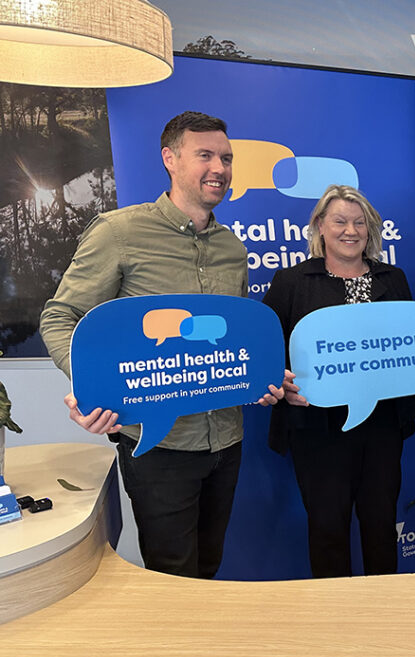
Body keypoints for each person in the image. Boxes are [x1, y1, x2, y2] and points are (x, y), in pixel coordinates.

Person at [39, 111, 285, 579]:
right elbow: (60, 316)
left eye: (227, 158)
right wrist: (92, 385)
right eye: (205, 155)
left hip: (226, 439)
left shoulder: (232, 248)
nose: (219, 168)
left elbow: (230, 337)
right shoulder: (119, 233)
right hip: (159, 446)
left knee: (208, 567)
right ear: (170, 158)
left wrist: (262, 377)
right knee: (172, 576)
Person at [262, 185, 415, 578]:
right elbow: (265, 351)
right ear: (320, 226)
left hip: (382, 425)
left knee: (381, 527)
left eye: (359, 222)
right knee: (328, 530)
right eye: (339, 221)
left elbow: (413, 344)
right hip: (320, 429)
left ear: (370, 230)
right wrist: (280, 381)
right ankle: (334, 613)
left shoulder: (393, 279)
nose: (350, 231)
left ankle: (383, 609)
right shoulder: (292, 281)